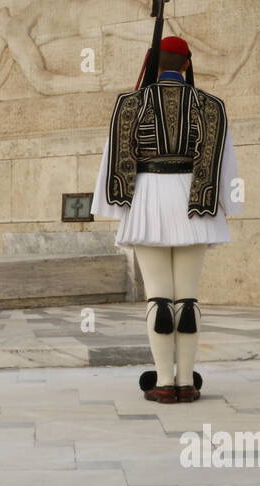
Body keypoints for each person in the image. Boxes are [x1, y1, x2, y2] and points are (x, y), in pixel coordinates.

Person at [92, 36, 242, 403]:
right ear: (187, 64)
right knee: (187, 298)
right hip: (196, 200)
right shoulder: (211, 105)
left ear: (152, 63)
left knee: (159, 298)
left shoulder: (131, 102)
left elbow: (116, 157)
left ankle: (163, 382)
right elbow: (224, 162)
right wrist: (225, 204)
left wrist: (116, 204)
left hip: (148, 200)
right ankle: (187, 380)